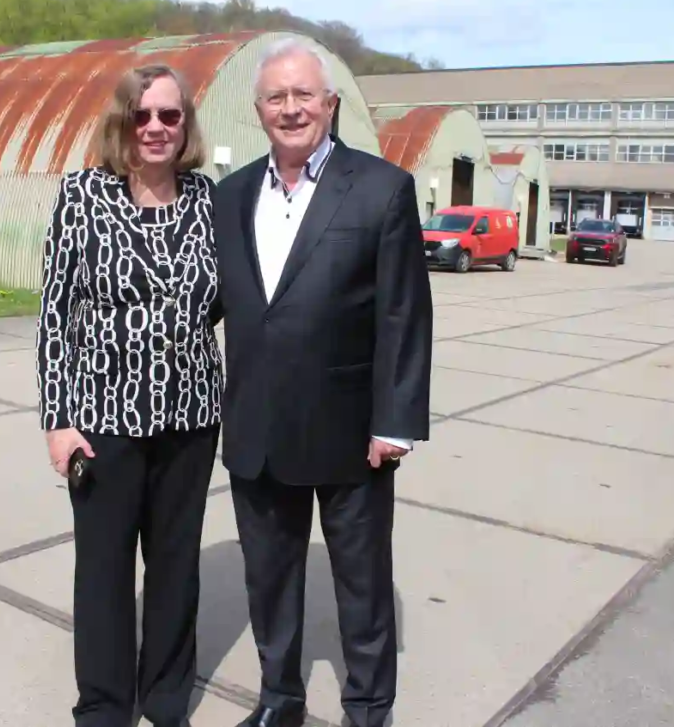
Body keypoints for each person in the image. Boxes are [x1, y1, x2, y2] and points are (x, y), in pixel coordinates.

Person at [210, 38, 433, 727]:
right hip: (259, 429)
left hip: (350, 430)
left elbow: (404, 311)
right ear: (258, 110)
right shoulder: (232, 193)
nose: (291, 108)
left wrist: (394, 420)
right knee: (269, 581)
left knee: (361, 585)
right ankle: (281, 697)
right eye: (276, 97)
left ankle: (368, 708)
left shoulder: (380, 188)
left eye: (304, 94)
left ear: (330, 104)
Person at [35, 63, 223, 727]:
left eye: (169, 116)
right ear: (122, 122)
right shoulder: (84, 195)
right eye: (141, 115)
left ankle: (167, 697)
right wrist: (58, 419)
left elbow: (226, 304)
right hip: (103, 422)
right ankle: (106, 705)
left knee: (176, 567)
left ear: (185, 126)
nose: (155, 128)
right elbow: (57, 313)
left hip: (191, 420)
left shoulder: (209, 199)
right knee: (105, 572)